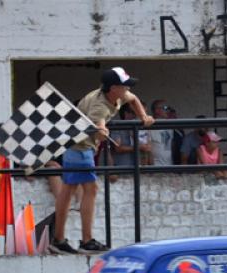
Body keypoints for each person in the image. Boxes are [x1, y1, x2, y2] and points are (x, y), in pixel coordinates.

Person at [51, 67, 154, 255]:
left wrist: (143, 117)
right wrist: (102, 133)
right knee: (90, 189)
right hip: (79, 148)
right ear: (114, 88)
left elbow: (134, 99)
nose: (127, 89)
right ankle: (86, 240)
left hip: (76, 147)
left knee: (68, 192)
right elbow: (99, 129)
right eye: (125, 86)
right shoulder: (99, 106)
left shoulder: (118, 94)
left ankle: (58, 239)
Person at [148, 99, 175, 166]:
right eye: (165, 108)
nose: (167, 110)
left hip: (169, 166)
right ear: (157, 110)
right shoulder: (149, 126)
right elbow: (148, 149)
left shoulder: (169, 125)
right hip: (156, 168)